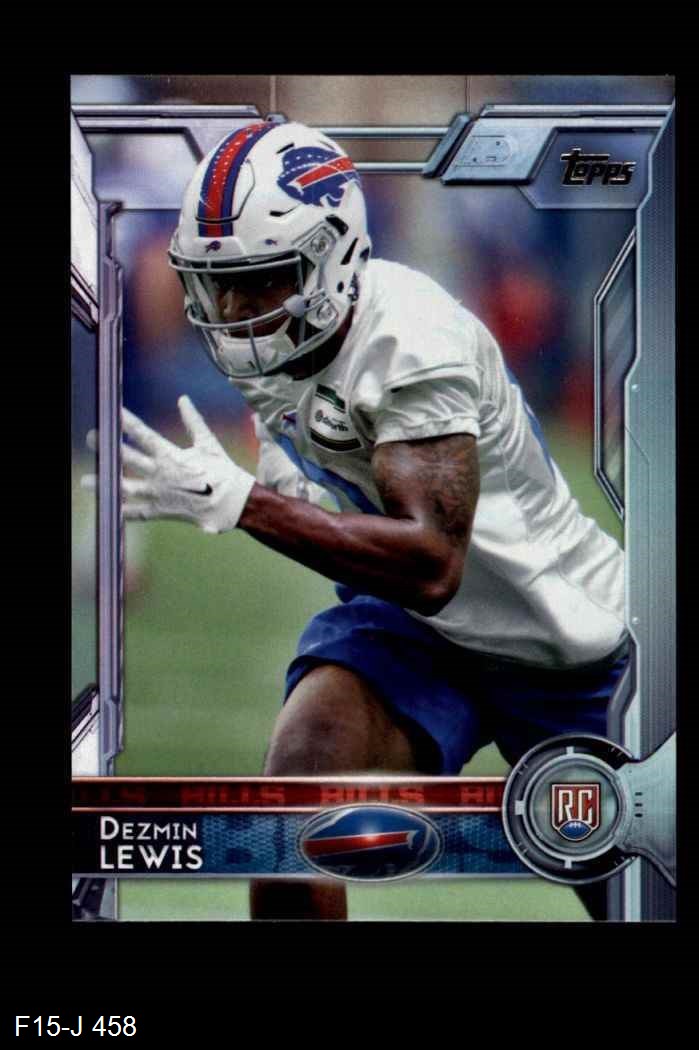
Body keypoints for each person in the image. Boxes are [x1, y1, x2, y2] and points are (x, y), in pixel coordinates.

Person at [103, 121, 628, 920]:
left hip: (560, 643)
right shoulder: (280, 332)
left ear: (334, 257)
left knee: (643, 888)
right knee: (294, 805)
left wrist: (246, 503)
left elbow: (431, 562)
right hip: (417, 632)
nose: (236, 311)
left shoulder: (411, 341)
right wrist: (286, 485)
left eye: (262, 281)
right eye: (220, 284)